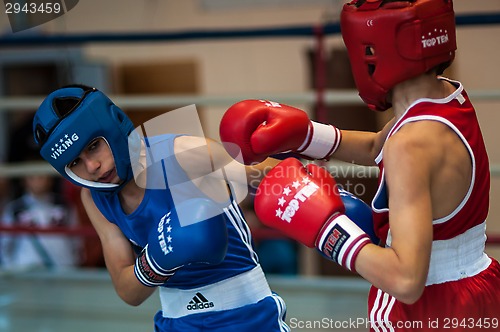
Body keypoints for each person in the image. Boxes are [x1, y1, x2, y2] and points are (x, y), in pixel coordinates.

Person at [218, 0, 500, 331]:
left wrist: (327, 231)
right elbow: (377, 145)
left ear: (374, 53)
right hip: (478, 286)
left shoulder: (410, 145)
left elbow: (407, 281)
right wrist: (306, 135)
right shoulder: (447, 99)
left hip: (429, 311)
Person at [31, 84, 289, 332]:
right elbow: (127, 291)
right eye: (76, 161)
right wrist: (156, 260)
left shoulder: (182, 153)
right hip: (175, 323)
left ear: (113, 125)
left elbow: (268, 179)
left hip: (248, 316)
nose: (91, 167)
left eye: (94, 146)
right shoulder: (94, 199)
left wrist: (312, 143)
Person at [0, 171, 81, 271]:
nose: (38, 181)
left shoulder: (64, 205)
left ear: (50, 179)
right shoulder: (15, 208)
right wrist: (11, 267)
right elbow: (5, 242)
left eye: (42, 176)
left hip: (63, 265)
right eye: (32, 177)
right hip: (27, 268)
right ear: (24, 181)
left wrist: (75, 261)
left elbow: (75, 237)